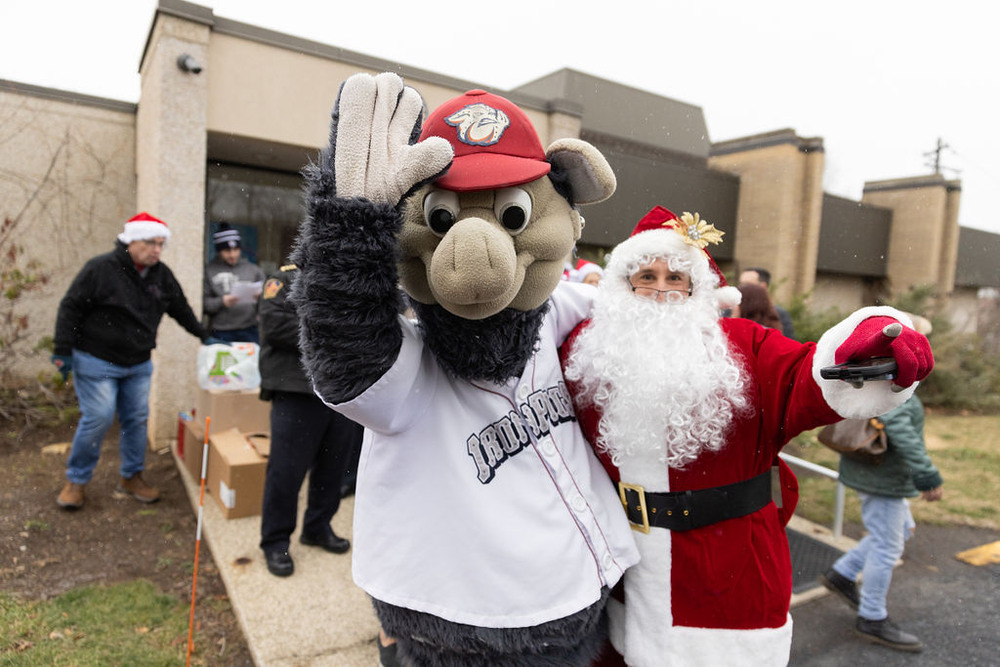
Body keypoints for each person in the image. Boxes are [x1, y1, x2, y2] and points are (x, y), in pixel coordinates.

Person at [560, 205, 933, 666]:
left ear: (697, 289)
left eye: (676, 278)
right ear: (623, 284)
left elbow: (810, 376)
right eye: (646, 276)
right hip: (621, 577)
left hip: (730, 575)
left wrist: (871, 340)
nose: (660, 290)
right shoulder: (585, 353)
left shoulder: (744, 345)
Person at [52, 212, 216, 510]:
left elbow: (180, 308)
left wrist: (203, 335)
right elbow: (70, 307)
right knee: (99, 416)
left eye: (161, 244)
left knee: (136, 419)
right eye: (151, 243)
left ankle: (132, 476)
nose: (157, 249)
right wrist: (63, 350)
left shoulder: (161, 275)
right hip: (96, 359)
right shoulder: (101, 269)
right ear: (131, 241)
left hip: (138, 363)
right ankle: (76, 480)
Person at [257, 263, 363, 577]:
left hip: (338, 392)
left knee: (333, 470)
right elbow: (274, 325)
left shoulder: (345, 278)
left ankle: (317, 527)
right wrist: (333, 329)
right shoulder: (284, 277)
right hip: (295, 391)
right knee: (286, 472)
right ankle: (275, 542)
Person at [819, 391, 943, 652]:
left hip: (873, 473)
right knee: (888, 548)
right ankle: (872, 617)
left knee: (899, 532)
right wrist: (927, 475)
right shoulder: (897, 385)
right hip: (882, 481)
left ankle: (842, 574)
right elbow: (900, 429)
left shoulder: (877, 380)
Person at [203, 222, 265, 344]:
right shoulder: (209, 271)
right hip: (220, 331)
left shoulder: (254, 270)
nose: (232, 254)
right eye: (227, 250)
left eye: (236, 249)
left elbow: (270, 302)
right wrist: (222, 301)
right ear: (219, 251)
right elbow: (203, 304)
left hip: (250, 329)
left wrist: (261, 297)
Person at [740, 266, 795, 339]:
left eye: (747, 284)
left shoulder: (779, 315)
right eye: (740, 284)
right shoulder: (730, 312)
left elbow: (788, 343)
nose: (740, 288)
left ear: (763, 286)